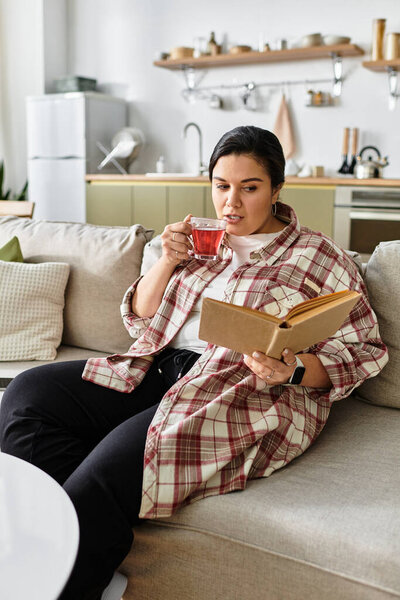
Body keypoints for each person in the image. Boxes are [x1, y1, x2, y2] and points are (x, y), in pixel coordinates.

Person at [0, 126, 388, 600]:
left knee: (108, 471)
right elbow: (140, 317)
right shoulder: (201, 241)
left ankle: (59, 573)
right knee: (26, 396)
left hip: (237, 390)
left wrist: (295, 369)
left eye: (250, 188)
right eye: (222, 186)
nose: (232, 203)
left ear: (277, 190)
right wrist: (164, 260)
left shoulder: (319, 256)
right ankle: (71, 536)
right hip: (158, 367)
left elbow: (364, 350)